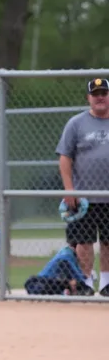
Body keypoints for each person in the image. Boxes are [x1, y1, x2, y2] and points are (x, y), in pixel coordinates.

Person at [56, 77, 109, 296]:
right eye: (95, 94)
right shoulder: (76, 124)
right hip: (83, 199)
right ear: (88, 98)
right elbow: (65, 158)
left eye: (103, 93)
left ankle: (106, 284)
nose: (100, 97)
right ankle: (86, 282)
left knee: (108, 243)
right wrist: (70, 191)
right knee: (83, 243)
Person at [24, 241, 92, 296]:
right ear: (77, 247)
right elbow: (76, 274)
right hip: (44, 281)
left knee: (70, 282)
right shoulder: (67, 255)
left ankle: (64, 291)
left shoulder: (68, 252)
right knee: (72, 283)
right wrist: (84, 281)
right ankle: (64, 291)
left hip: (53, 282)